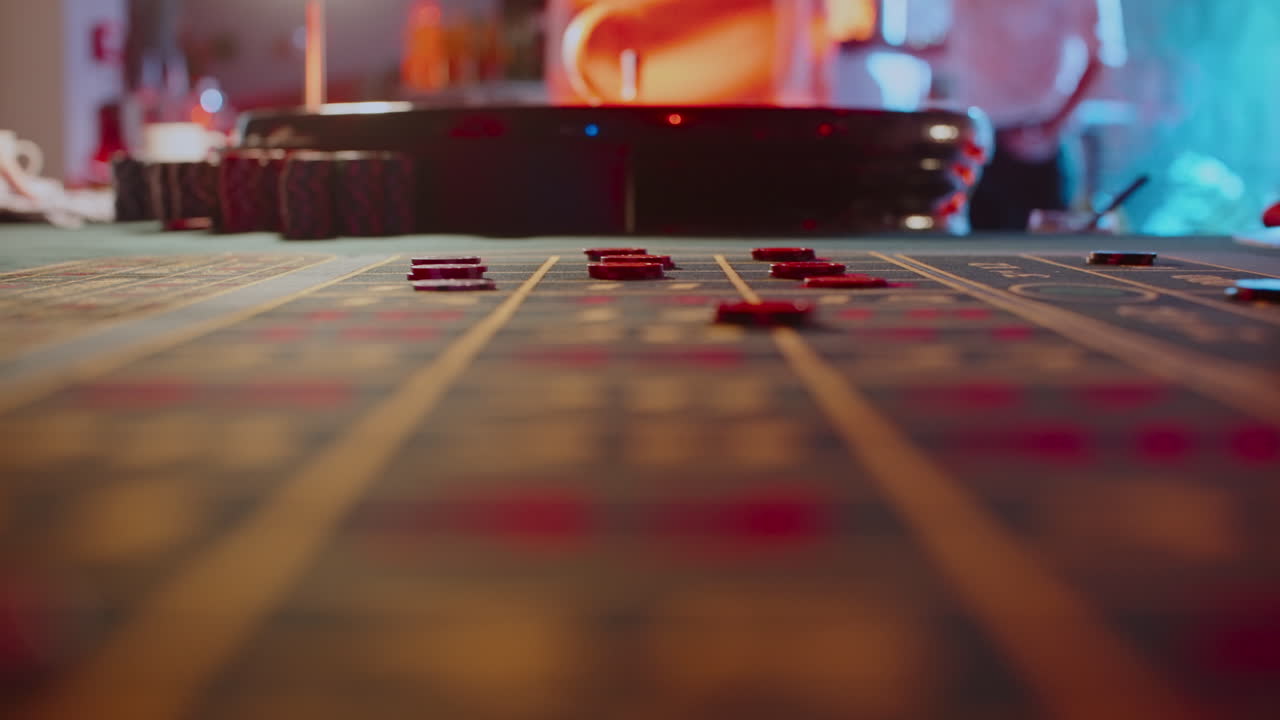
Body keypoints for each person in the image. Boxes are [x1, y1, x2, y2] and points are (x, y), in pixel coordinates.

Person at [833, 0, 1128, 230]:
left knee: (1041, 261)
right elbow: (955, 49)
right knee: (975, 257)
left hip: (1033, 148)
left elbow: (1102, 57)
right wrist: (880, 45)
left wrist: (1051, 127)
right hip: (972, 143)